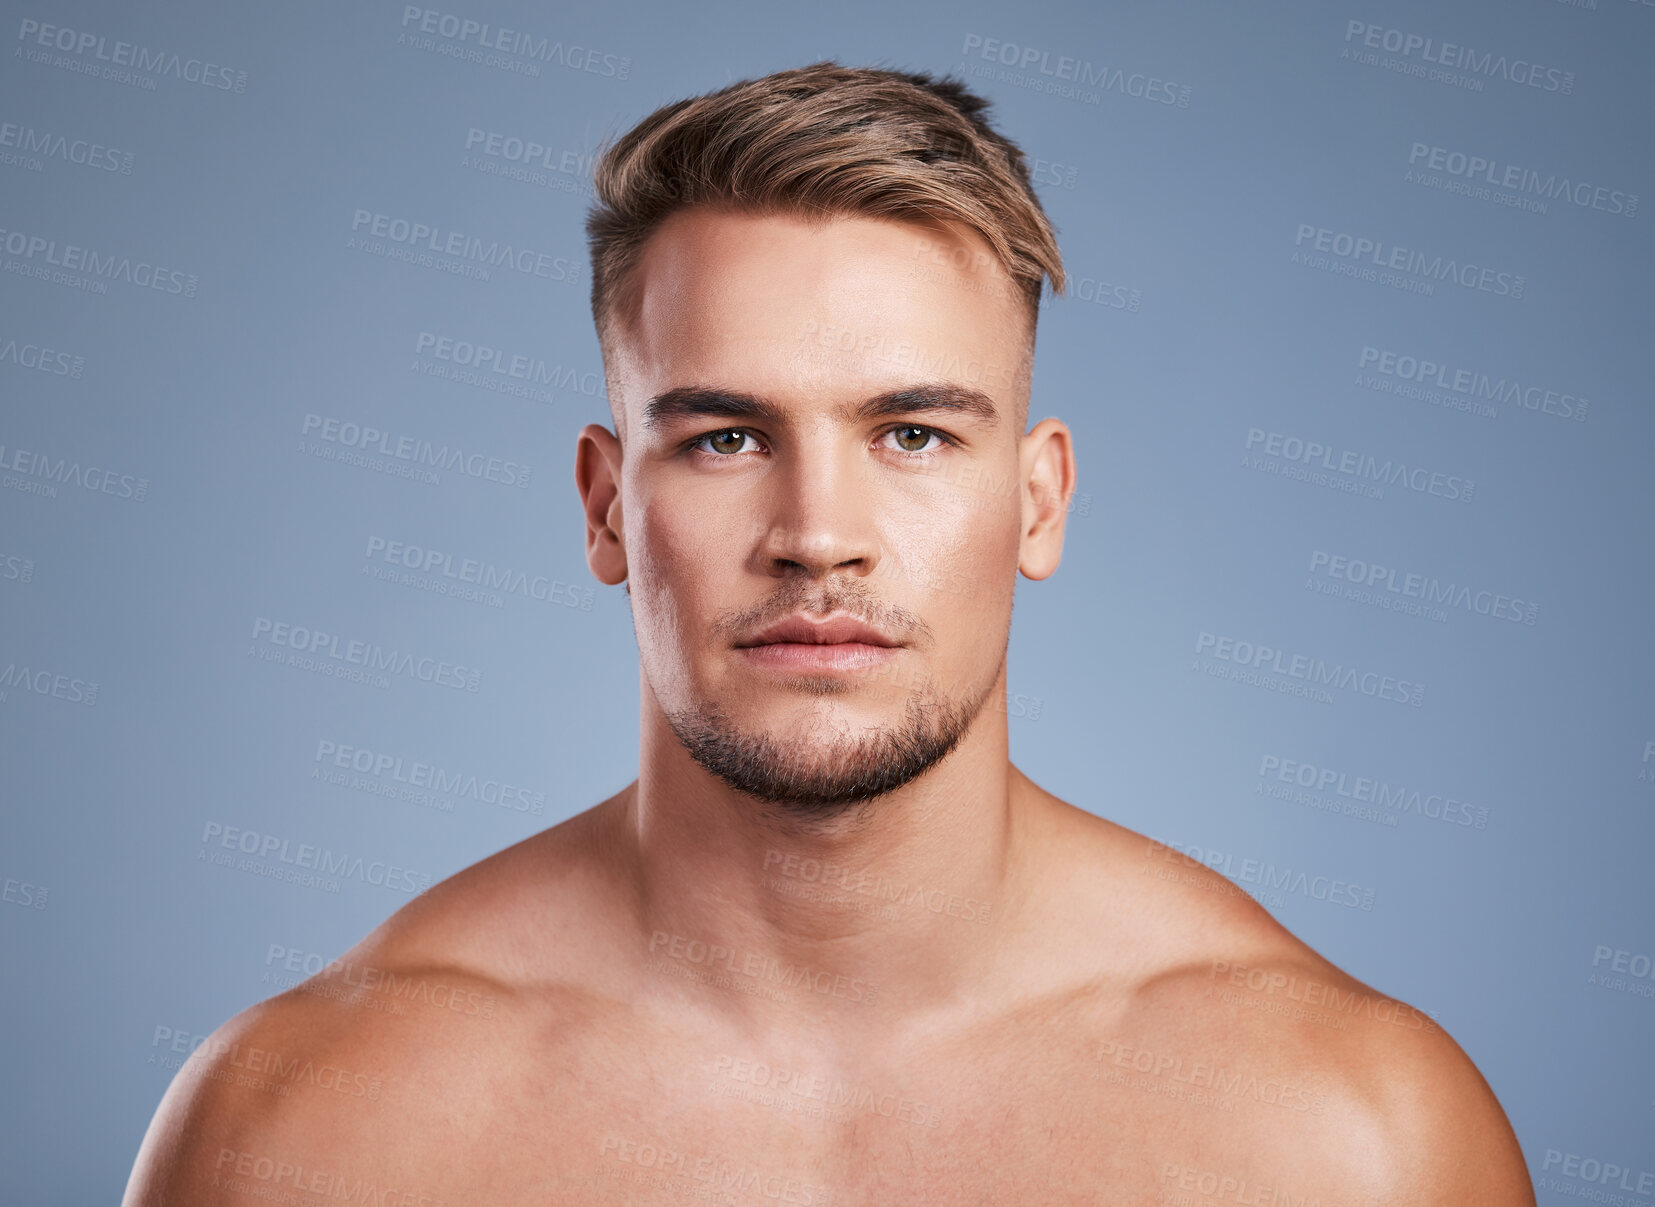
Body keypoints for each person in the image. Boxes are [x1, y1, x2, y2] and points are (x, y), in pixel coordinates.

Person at [124, 62, 1534, 1205]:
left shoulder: (1351, 1137)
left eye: (911, 434)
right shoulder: (317, 1129)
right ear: (610, 508)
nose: (818, 532)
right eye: (728, 437)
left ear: (1037, 504)